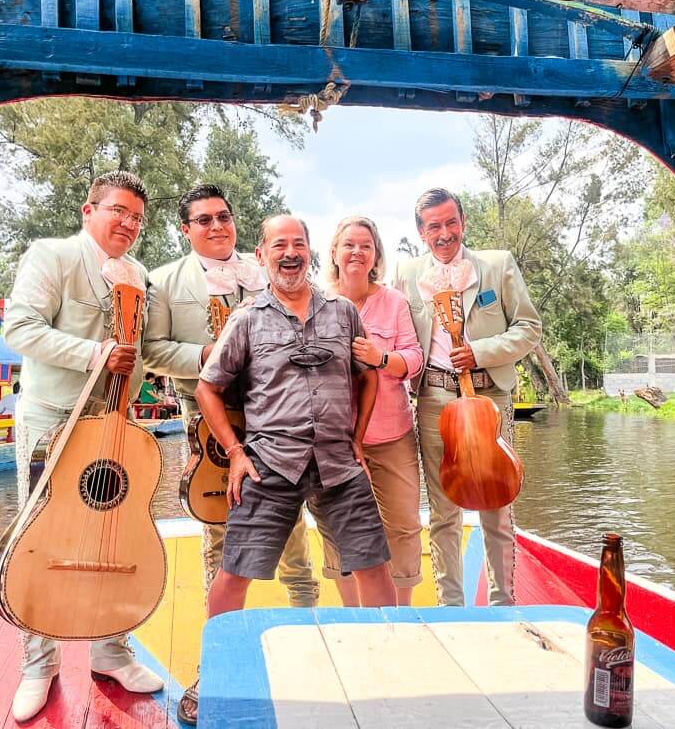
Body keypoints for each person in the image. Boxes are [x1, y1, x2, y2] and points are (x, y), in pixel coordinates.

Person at [190, 215, 397, 725]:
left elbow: (367, 377)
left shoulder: (343, 312)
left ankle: (392, 666)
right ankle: (210, 671)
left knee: (373, 565)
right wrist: (236, 453)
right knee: (235, 572)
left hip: (338, 461)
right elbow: (207, 388)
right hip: (269, 463)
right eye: (278, 245)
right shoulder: (247, 318)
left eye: (298, 244)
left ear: (311, 253)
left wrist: (355, 439)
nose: (290, 253)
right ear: (261, 255)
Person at [2, 170, 163, 722]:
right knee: (38, 535)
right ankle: (37, 664)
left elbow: (139, 349)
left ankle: (110, 651)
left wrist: (130, 398)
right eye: (118, 211)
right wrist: (94, 355)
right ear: (88, 210)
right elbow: (20, 329)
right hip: (52, 419)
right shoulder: (52, 255)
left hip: (112, 419)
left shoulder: (139, 274)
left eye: (137, 217)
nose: (129, 223)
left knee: (114, 531)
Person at [144, 185, 319, 608]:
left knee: (291, 518)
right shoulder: (164, 281)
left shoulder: (269, 272)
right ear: (186, 229)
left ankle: (308, 618)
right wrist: (209, 354)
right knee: (220, 521)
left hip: (272, 412)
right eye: (204, 220)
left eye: (224, 217)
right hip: (208, 415)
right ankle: (218, 648)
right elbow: (152, 351)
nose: (217, 226)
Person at [391, 188, 542, 607]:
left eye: (450, 222)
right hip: (434, 399)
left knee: (497, 503)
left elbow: (529, 328)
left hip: (490, 397)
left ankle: (502, 604)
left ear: (463, 222)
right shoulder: (405, 274)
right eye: (434, 226)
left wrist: (480, 351)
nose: (444, 233)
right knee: (444, 509)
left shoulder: (497, 265)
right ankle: (451, 607)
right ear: (421, 232)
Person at [323, 216, 425, 606]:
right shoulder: (317, 301)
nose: (356, 252)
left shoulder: (394, 301)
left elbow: (414, 359)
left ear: (375, 255)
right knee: (337, 526)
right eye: (348, 244)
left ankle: (400, 614)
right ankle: (353, 616)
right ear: (334, 252)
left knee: (402, 524)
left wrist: (382, 357)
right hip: (334, 439)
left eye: (365, 245)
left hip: (391, 434)